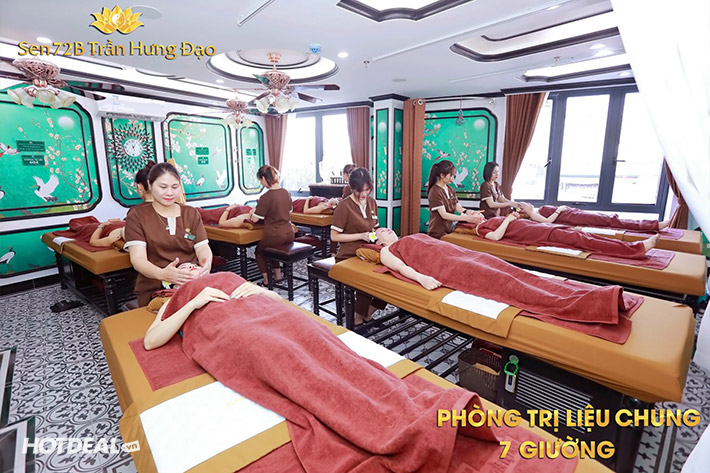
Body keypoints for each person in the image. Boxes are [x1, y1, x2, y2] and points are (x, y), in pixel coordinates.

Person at [142, 272, 569, 473]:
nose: (191, 270)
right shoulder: (180, 296)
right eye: (183, 270)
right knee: (288, 363)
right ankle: (387, 425)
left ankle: (402, 409)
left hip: (274, 317)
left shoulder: (228, 276)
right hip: (239, 333)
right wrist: (194, 301)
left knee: (333, 353)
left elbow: (279, 305)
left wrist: (255, 293)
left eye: (195, 265)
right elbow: (152, 340)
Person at [124, 162, 212, 306]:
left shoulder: (190, 213)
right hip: (154, 286)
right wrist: (162, 274)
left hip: (191, 281)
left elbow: (202, 248)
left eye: (175, 187)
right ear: (150, 185)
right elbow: (138, 259)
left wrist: (206, 265)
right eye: (163, 187)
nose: (170, 193)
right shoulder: (137, 216)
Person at [469, 211, 659, 259]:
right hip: (537, 235)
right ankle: (637, 249)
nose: (475, 212)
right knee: (583, 240)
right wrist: (509, 219)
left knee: (585, 237)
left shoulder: (489, 219)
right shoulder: (480, 228)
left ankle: (636, 245)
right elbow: (496, 237)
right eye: (471, 213)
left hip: (540, 228)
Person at [331, 167, 387, 324]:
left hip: (368, 252)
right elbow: (334, 236)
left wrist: (380, 237)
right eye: (360, 191)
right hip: (348, 255)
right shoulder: (344, 206)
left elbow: (375, 228)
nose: (364, 194)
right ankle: (358, 317)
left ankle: (366, 313)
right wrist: (361, 236)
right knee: (366, 279)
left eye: (367, 190)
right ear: (352, 188)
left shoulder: (372, 202)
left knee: (388, 279)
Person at [250, 165, 293, 284]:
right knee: (273, 250)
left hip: (274, 235)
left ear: (264, 178)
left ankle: (266, 280)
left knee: (259, 252)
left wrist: (253, 211)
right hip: (289, 233)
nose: (261, 183)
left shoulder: (266, 197)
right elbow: (289, 210)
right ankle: (277, 276)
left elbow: (255, 220)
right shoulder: (286, 192)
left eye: (260, 180)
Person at [518, 202, 671, 232]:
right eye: (523, 205)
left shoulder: (536, 211)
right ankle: (652, 225)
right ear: (524, 212)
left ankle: (651, 225)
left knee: (608, 219)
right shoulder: (533, 214)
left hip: (575, 214)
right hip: (576, 218)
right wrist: (559, 210)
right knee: (610, 220)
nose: (527, 203)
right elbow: (547, 222)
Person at [427, 160, 482, 239]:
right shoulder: (434, 191)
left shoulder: (450, 190)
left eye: (453, 176)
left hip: (449, 231)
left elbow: (459, 208)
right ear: (442, 175)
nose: (452, 178)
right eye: (451, 175)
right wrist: (466, 218)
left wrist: (468, 212)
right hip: (437, 234)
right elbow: (444, 215)